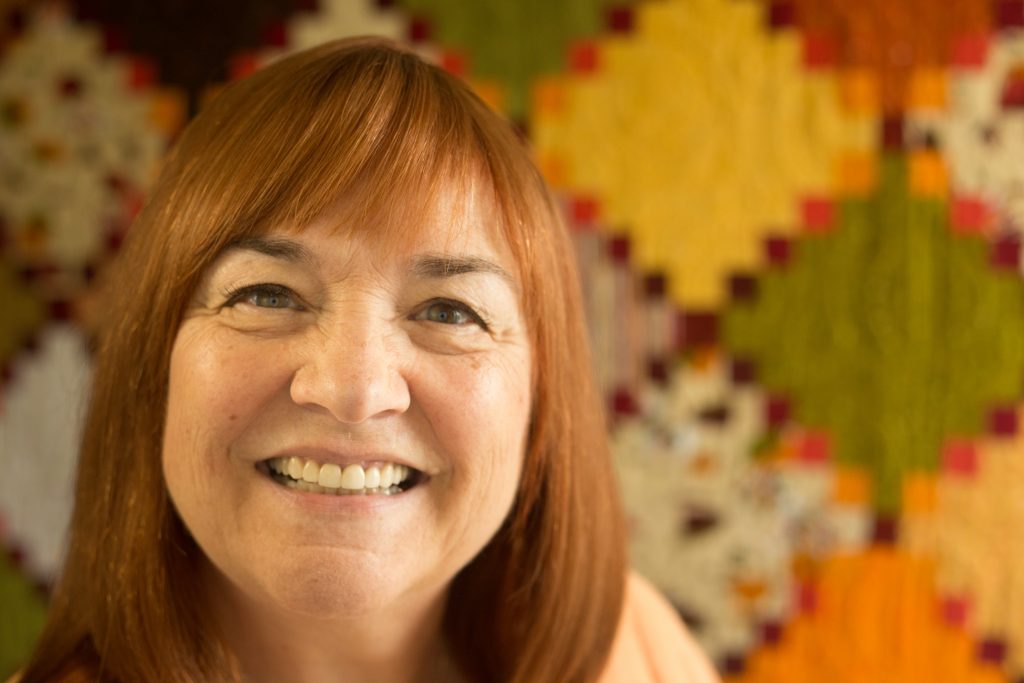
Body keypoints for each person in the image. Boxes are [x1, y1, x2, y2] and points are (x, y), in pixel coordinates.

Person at [16, 37, 719, 683]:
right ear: (153, 370)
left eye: (449, 311)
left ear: (541, 402)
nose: (353, 388)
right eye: (266, 293)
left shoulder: (636, 650)